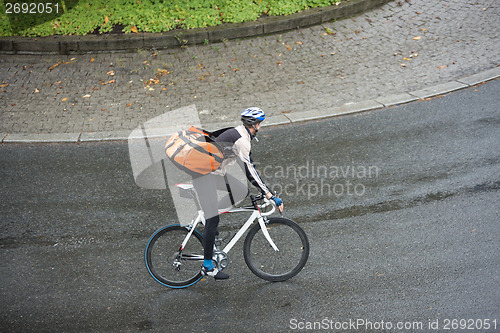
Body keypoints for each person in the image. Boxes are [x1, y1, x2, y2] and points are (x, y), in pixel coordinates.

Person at [192, 107, 284, 280]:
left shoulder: (240, 135)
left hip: (213, 173)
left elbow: (250, 167)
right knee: (213, 219)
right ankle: (207, 266)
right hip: (203, 175)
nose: (261, 127)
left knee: (240, 190)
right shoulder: (241, 139)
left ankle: (211, 216)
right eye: (260, 124)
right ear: (255, 124)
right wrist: (270, 195)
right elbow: (249, 171)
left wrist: (267, 191)